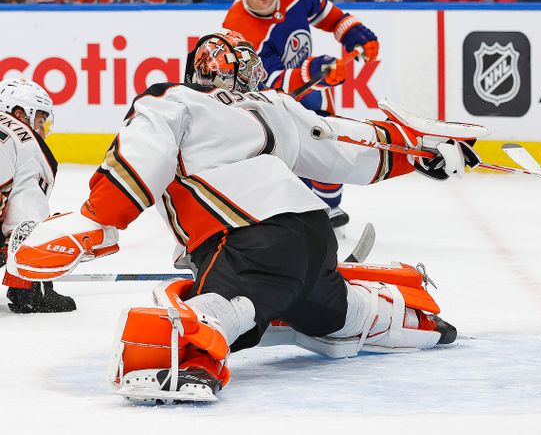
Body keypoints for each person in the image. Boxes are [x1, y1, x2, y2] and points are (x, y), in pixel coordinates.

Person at [7, 30, 479, 402]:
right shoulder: (274, 106)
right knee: (326, 305)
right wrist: (418, 151)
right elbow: (343, 144)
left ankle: (187, 351)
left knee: (230, 303)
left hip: (253, 241)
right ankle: (389, 315)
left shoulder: (171, 99)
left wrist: (96, 220)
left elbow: (143, 157)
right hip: (315, 237)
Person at [223, 0, 379, 230]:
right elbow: (266, 79)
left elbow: (327, 15)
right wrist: (314, 69)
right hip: (265, 102)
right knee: (290, 157)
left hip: (309, 88)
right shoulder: (238, 27)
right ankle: (298, 213)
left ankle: (329, 209)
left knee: (330, 141)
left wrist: (356, 34)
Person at [0, 78, 75, 314]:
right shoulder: (23, 142)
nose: (43, 129)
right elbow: (25, 220)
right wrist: (29, 289)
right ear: (20, 115)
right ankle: (31, 290)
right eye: (40, 120)